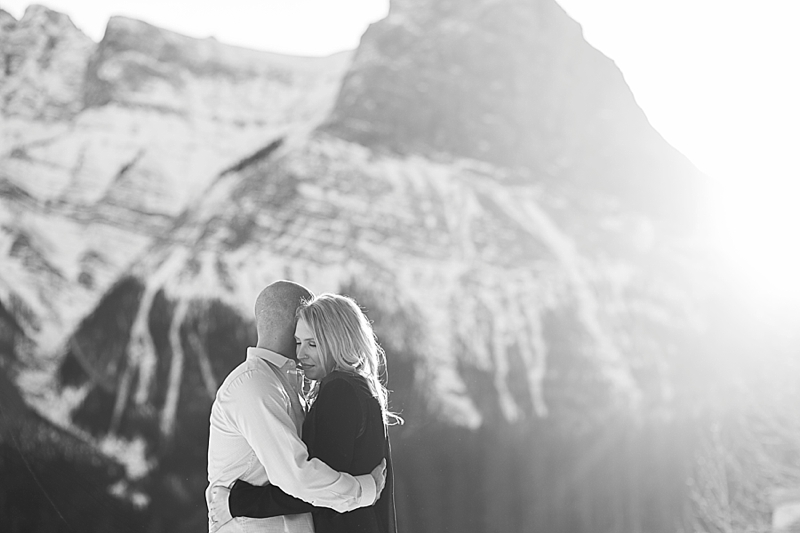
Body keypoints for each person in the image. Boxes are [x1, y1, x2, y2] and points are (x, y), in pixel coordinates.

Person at [209, 293, 401, 533]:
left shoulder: (339, 389)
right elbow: (316, 483)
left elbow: (311, 484)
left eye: (313, 343)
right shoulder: (357, 386)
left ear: (337, 341)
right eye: (298, 342)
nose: (301, 354)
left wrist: (236, 502)